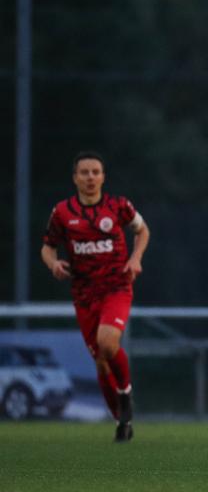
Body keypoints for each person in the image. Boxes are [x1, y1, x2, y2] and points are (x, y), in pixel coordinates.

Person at [41, 151, 150, 442]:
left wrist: (136, 258)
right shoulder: (62, 213)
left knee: (107, 342)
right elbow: (47, 247)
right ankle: (122, 421)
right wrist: (53, 264)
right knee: (101, 361)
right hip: (84, 293)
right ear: (75, 177)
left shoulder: (119, 206)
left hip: (116, 286)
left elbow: (142, 231)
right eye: (85, 172)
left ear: (103, 176)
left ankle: (125, 394)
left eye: (96, 172)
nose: (91, 177)